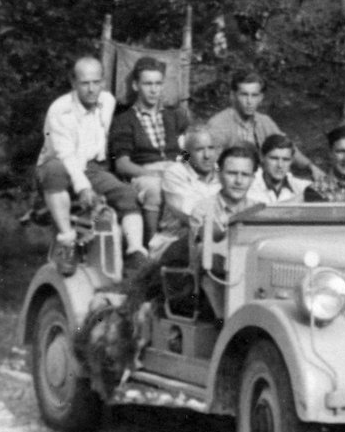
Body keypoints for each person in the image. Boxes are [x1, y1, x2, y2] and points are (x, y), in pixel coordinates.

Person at [36, 56, 147, 271]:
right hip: (59, 166)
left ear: (103, 82)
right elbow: (65, 155)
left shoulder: (107, 101)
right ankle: (66, 243)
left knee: (127, 195)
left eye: (96, 82)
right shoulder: (60, 110)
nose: (91, 89)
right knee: (55, 169)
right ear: (73, 83)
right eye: (85, 83)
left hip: (92, 168)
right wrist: (84, 188)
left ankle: (135, 251)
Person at [109, 56, 191, 241]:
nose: (154, 90)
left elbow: (186, 150)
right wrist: (153, 174)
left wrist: (185, 164)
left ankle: (183, 241)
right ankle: (152, 243)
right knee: (154, 188)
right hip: (143, 172)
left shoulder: (174, 117)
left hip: (174, 168)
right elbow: (122, 164)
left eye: (158, 83)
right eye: (148, 84)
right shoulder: (124, 121)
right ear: (136, 86)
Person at [208, 70, 325, 179]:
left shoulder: (264, 121)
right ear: (233, 96)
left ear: (261, 98)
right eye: (244, 95)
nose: (249, 101)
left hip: (262, 181)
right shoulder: (219, 124)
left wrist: (310, 166)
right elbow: (195, 156)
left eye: (254, 95)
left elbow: (287, 147)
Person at [188, 145, 262, 318]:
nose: (238, 181)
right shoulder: (203, 208)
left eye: (245, 175)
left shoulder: (258, 210)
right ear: (219, 174)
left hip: (251, 280)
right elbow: (204, 250)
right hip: (209, 283)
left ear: (252, 178)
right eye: (232, 173)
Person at [152, 124, 222, 259]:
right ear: (187, 153)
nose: (207, 155)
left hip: (214, 240)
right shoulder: (176, 173)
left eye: (211, 148)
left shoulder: (224, 175)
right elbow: (194, 217)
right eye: (199, 150)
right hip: (174, 243)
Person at [247, 134, 311, 204]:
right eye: (274, 158)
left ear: (291, 161)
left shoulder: (299, 185)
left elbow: (323, 186)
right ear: (262, 157)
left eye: (286, 159)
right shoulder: (247, 184)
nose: (280, 165)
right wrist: (299, 199)